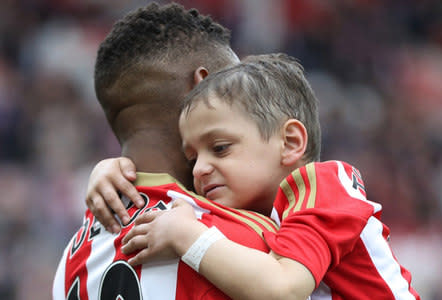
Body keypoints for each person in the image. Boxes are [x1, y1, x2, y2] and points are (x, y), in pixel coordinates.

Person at [91, 54, 420, 299]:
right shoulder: (256, 206)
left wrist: (187, 238)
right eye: (191, 158)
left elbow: (283, 289)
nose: (198, 169)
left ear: (290, 143)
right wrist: (114, 170)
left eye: (219, 148)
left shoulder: (324, 185)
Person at [52, 3, 279, 300]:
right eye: (235, 85)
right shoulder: (246, 241)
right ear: (202, 87)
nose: (249, 105)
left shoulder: (70, 259)